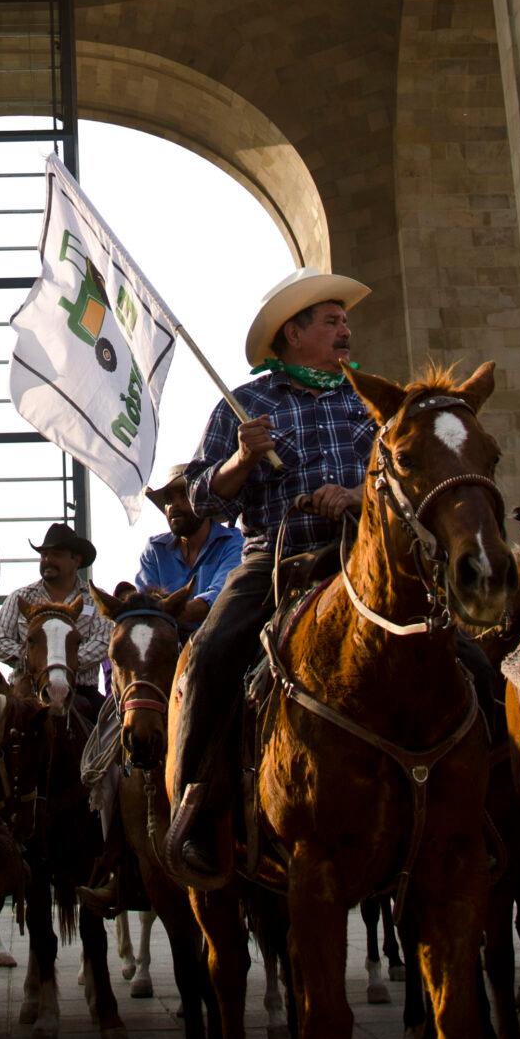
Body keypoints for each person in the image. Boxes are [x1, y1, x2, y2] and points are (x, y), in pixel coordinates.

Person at [164, 268, 376, 886]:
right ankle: (196, 808)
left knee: (463, 648)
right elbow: (204, 501)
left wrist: (358, 494)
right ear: (294, 332)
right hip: (276, 557)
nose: (345, 331)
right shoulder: (247, 403)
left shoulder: (368, 396)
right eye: (332, 321)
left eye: (344, 321)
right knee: (208, 655)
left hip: (362, 551)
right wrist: (242, 458)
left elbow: (398, 477)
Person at [0, 523, 108, 689]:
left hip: (80, 691)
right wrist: (34, 660)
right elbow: (0, 642)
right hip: (26, 691)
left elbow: (102, 641)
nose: (47, 560)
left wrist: (61, 663)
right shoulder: (19, 597)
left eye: (56, 555)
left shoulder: (95, 599)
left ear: (76, 560)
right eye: (44, 555)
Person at [135, 465, 243, 623]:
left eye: (185, 495)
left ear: (205, 504)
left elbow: (221, 597)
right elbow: (144, 603)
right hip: (166, 639)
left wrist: (163, 612)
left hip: (223, 638)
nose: (174, 505)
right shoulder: (155, 549)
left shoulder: (233, 543)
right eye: (168, 499)